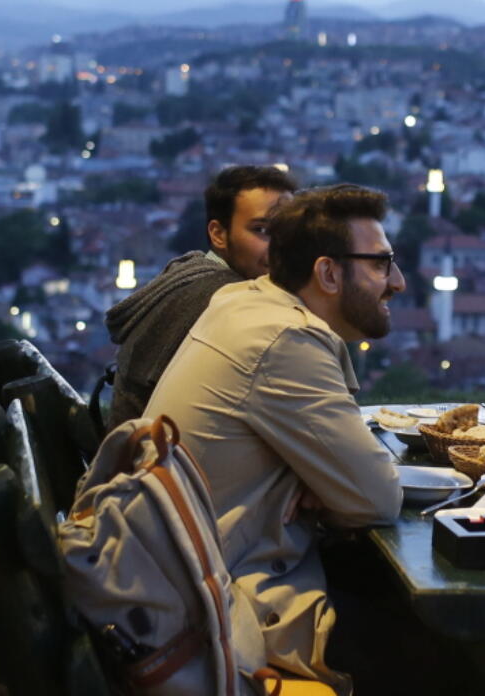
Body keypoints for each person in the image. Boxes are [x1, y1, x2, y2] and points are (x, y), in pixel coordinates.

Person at [143, 184, 405, 694]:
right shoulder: (285, 341)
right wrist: (323, 481)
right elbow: (377, 498)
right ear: (328, 273)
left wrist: (312, 478)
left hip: (187, 577)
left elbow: (349, 473)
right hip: (224, 609)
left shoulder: (242, 302)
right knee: (447, 636)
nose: (397, 281)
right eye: (381, 263)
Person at [104, 164, 297, 426]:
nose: (280, 245)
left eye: (288, 230)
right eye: (261, 230)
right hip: (161, 458)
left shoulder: (190, 275)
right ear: (218, 234)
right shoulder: (226, 300)